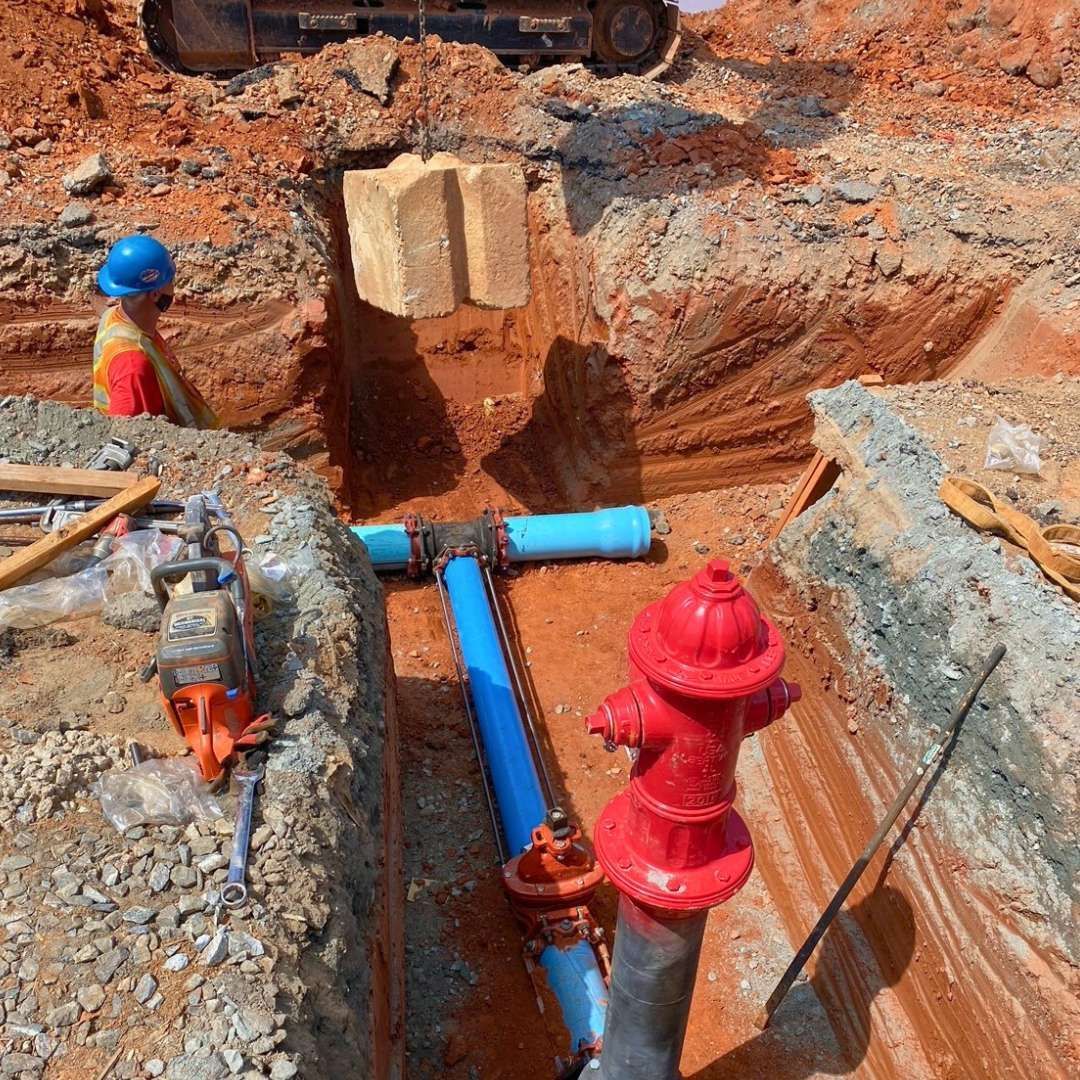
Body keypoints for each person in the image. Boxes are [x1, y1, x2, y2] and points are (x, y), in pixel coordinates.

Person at [92, 235, 218, 428]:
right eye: (170, 280)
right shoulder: (132, 366)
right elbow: (130, 436)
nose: (173, 286)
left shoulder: (115, 316)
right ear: (155, 293)